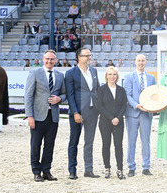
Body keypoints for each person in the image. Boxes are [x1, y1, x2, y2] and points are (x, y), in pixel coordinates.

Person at [24, 50, 66, 182]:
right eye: (47, 59)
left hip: (53, 116)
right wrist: (29, 115)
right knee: (35, 145)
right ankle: (36, 172)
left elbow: (64, 94)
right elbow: (28, 95)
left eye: (52, 59)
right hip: (37, 116)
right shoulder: (35, 73)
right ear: (43, 59)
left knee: (49, 145)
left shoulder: (60, 75)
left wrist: (59, 99)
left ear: (56, 61)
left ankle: (46, 171)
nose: (49, 61)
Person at [65, 48, 100, 179]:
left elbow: (97, 90)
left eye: (90, 55)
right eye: (87, 56)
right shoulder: (70, 73)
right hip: (78, 113)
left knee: (89, 142)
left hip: (92, 111)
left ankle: (88, 170)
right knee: (74, 142)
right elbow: (70, 95)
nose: (89, 58)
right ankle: (72, 170)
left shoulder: (94, 71)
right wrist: (75, 112)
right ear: (79, 57)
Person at [124, 54, 156, 177]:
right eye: (139, 61)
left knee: (146, 141)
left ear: (146, 62)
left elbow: (154, 95)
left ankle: (146, 167)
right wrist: (136, 105)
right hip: (132, 113)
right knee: (131, 141)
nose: (141, 63)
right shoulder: (129, 77)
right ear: (135, 62)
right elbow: (127, 95)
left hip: (146, 114)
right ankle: (131, 167)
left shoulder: (151, 78)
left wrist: (152, 107)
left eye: (143, 61)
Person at [97, 66, 128, 179]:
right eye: (110, 74)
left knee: (118, 145)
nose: (112, 76)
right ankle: (107, 168)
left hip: (119, 122)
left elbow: (124, 105)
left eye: (114, 74)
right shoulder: (101, 89)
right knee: (106, 145)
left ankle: (120, 169)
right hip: (105, 121)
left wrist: (118, 118)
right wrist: (111, 118)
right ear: (106, 76)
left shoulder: (121, 90)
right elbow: (99, 106)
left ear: (117, 76)